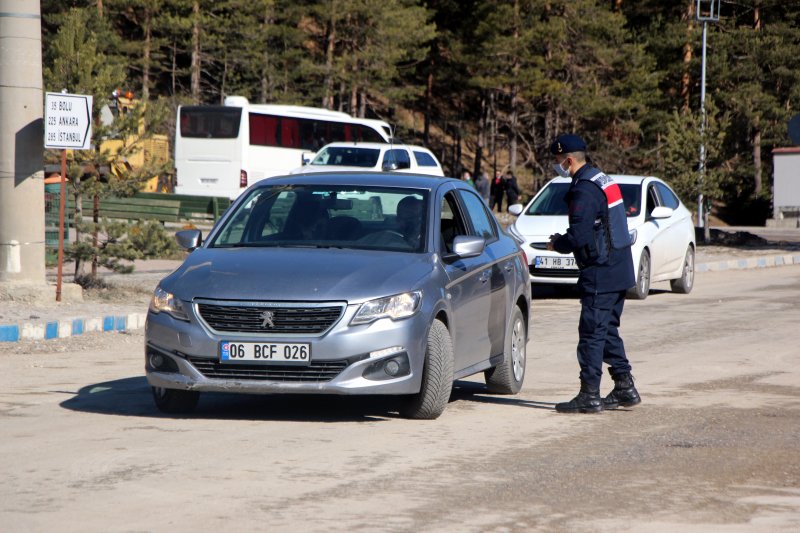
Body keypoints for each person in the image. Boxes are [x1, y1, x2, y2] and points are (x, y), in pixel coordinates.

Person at [546, 133, 640, 414]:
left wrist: (557, 243)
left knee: (591, 334)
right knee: (607, 329)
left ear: (569, 160)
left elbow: (581, 234)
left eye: (558, 161)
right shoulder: (602, 178)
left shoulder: (584, 189)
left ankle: (589, 394)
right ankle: (624, 385)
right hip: (619, 267)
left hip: (600, 271)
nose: (557, 166)